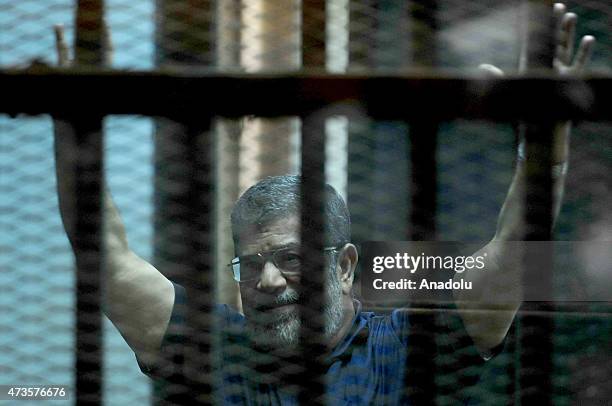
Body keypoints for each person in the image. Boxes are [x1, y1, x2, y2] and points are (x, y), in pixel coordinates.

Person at [53, 3, 595, 404]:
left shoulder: (409, 346)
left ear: (344, 266)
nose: (267, 282)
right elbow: (104, 258)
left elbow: (515, 254)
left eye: (291, 258)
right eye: (252, 264)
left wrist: (543, 145)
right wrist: (79, 127)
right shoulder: (217, 350)